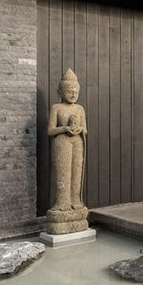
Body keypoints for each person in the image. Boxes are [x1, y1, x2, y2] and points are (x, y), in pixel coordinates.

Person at [48, 69, 87, 210]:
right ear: (61, 92)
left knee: (76, 173)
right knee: (63, 172)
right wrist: (65, 129)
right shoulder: (56, 108)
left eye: (76, 92)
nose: (73, 94)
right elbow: (50, 130)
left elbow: (85, 129)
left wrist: (79, 129)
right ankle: (62, 202)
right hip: (62, 142)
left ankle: (75, 201)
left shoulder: (79, 109)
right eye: (70, 91)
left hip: (77, 142)